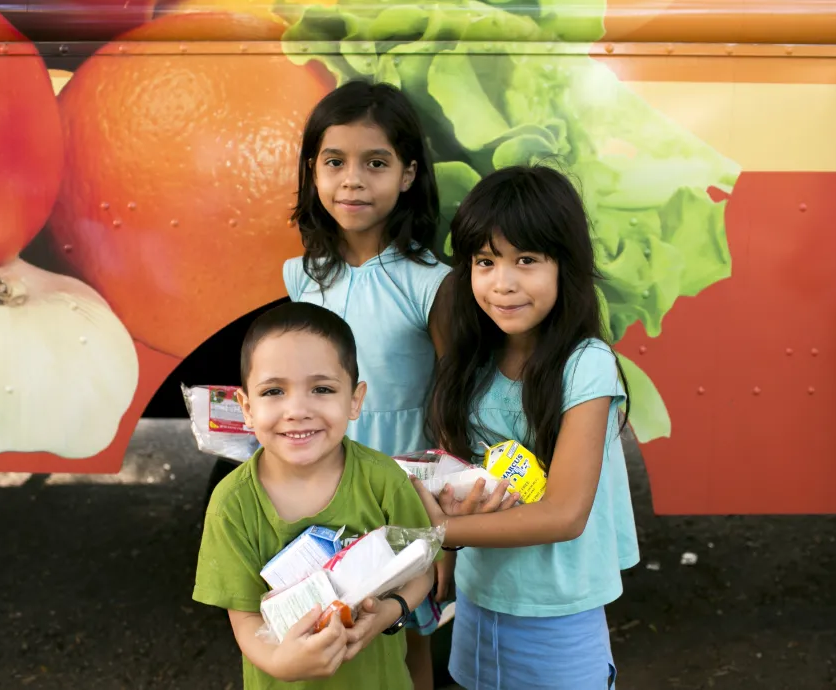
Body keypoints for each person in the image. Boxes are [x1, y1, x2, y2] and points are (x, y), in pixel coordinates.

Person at [412, 164, 641, 689]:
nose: (503, 283)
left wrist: (439, 533)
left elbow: (564, 515)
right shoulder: (471, 361)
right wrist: (446, 552)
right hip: (477, 600)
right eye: (485, 261)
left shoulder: (586, 366)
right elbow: (455, 470)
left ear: (566, 267)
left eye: (527, 260)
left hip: (559, 614)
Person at [283, 79, 452, 687]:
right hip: (322, 484)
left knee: (405, 636)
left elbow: (452, 397)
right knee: (328, 627)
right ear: (313, 170)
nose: (352, 180)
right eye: (335, 162)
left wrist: (446, 529)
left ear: (407, 175)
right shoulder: (301, 275)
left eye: (375, 163)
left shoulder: (430, 282)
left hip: (403, 489)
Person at [192, 301, 435, 690]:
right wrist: (281, 662)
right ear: (246, 408)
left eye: (321, 389)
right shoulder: (232, 503)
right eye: (274, 391)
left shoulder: (384, 480)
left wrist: (389, 612)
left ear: (354, 400)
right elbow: (245, 619)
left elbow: (421, 569)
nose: (297, 409)